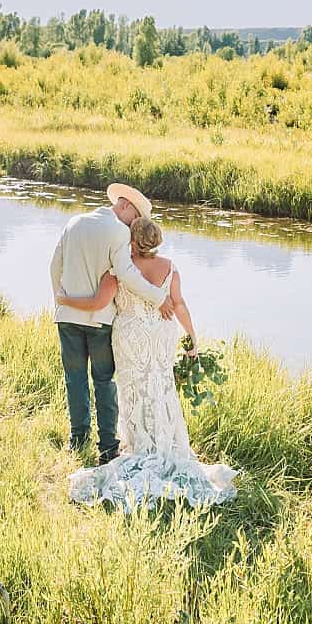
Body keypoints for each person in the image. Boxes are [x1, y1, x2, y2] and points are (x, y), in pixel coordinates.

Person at [57, 213, 236, 509]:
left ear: (131, 240)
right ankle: (165, 444)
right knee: (160, 385)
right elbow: (179, 304)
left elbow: (100, 303)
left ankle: (140, 445)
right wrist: (192, 338)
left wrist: (64, 300)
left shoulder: (119, 270)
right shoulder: (170, 268)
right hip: (162, 335)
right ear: (156, 240)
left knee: (134, 389)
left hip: (131, 338)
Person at [49, 183, 173, 464]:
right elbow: (127, 275)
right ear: (125, 205)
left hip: (68, 318)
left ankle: (77, 439)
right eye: (136, 218)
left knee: (75, 379)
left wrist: (62, 300)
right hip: (100, 321)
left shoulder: (74, 222)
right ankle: (107, 448)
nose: (135, 226)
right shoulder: (117, 231)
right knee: (104, 381)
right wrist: (159, 297)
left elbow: (54, 267)